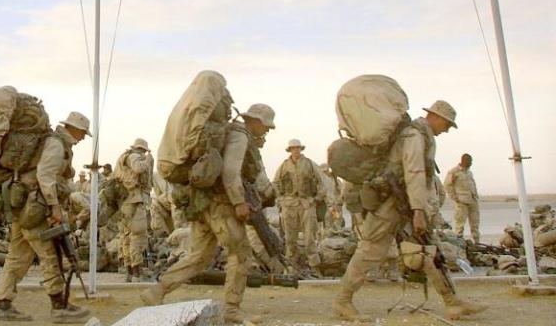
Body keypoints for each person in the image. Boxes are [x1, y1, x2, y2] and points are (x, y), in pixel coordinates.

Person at [333, 101, 487, 322]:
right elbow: (413, 172)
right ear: (435, 117)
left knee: (428, 249)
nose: (446, 130)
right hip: (392, 204)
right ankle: (343, 301)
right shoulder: (414, 136)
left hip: (403, 204)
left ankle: (453, 303)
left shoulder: (420, 135)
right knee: (370, 250)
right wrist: (418, 211)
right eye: (447, 124)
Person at [142, 103, 276, 325]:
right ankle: (232, 310)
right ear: (256, 121)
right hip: (222, 206)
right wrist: (239, 202)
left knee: (199, 257)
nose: (267, 131)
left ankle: (157, 291)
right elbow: (230, 172)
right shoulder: (240, 136)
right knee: (240, 254)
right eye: (266, 126)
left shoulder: (228, 132)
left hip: (204, 204)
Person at [0, 111, 91, 323]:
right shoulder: (56, 145)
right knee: (50, 255)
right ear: (73, 129)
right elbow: (45, 176)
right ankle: (59, 306)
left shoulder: (53, 142)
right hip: (35, 207)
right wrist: (54, 207)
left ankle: (3, 304)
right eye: (83, 132)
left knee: (17, 256)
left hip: (25, 206)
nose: (83, 137)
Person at [274, 139, 323, 273]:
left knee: (310, 237)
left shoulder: (309, 164)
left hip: (307, 204)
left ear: (301, 149)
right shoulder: (284, 166)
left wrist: (316, 199)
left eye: (297, 148)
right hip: (289, 205)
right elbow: (276, 184)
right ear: (289, 150)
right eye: (293, 148)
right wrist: (280, 200)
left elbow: (321, 182)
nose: (295, 150)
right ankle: (291, 266)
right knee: (290, 237)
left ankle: (314, 266)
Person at [115, 138, 154, 282]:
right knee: (138, 235)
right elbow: (138, 168)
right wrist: (148, 161)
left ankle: (130, 271)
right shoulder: (135, 156)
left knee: (126, 236)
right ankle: (137, 271)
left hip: (125, 201)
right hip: (135, 200)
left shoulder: (124, 157)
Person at [444, 153, 480, 243]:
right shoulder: (454, 172)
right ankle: (459, 242)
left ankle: (477, 242)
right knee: (460, 224)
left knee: (475, 224)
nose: (471, 163)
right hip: (461, 202)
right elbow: (447, 185)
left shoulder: (469, 172)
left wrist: (475, 196)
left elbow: (473, 185)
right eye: (470, 161)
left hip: (472, 201)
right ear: (464, 160)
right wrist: (455, 198)